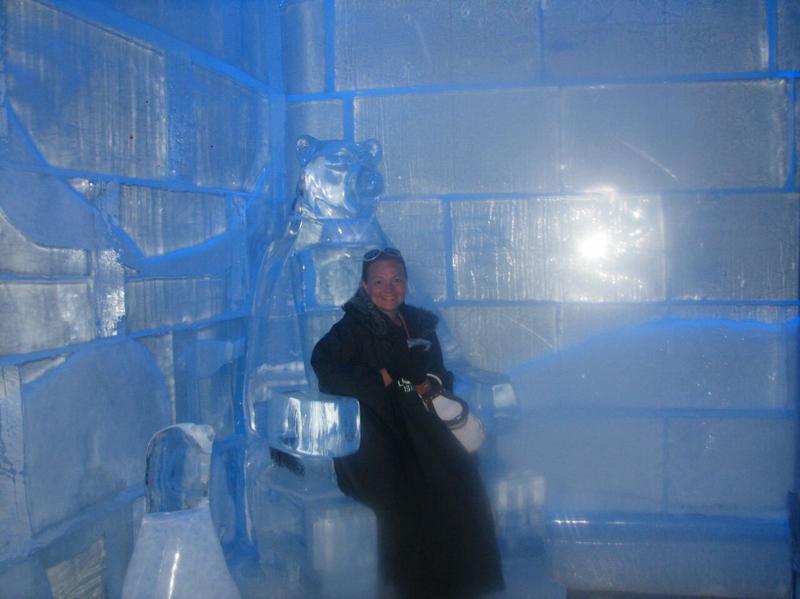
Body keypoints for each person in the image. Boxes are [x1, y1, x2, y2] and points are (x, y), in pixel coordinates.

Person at [311, 248, 504, 598]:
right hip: (376, 432)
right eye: (379, 282)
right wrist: (380, 379)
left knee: (461, 475)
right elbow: (325, 366)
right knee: (407, 493)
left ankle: (466, 585)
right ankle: (412, 588)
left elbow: (437, 373)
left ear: (406, 283)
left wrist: (427, 384)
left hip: (421, 423)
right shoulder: (352, 328)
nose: (388, 289)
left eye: (396, 280)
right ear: (364, 286)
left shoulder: (419, 323)